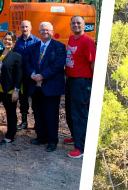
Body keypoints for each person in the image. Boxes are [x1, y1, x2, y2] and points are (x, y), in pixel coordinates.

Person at [25, 22, 66, 152]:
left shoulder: (59, 46)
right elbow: (26, 62)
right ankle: (41, 137)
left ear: (52, 32)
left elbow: (58, 65)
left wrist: (42, 75)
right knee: (38, 113)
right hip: (35, 86)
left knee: (51, 115)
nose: (44, 32)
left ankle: (52, 141)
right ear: (39, 32)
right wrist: (32, 74)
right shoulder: (33, 47)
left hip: (51, 87)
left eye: (47, 30)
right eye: (42, 30)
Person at [64, 15, 95, 159]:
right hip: (70, 80)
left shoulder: (88, 41)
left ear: (83, 25)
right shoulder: (72, 38)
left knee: (79, 114)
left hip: (81, 82)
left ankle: (81, 147)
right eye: (74, 23)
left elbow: (93, 63)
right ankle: (76, 137)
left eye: (79, 23)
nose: (76, 25)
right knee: (70, 111)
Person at [0, 32, 22, 145]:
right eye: (5, 39)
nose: (7, 41)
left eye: (10, 40)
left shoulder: (16, 56)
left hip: (8, 90)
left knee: (10, 113)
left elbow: (19, 75)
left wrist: (16, 90)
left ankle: (10, 136)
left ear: (13, 42)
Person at [14, 20, 40, 130]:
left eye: (26, 27)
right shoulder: (18, 41)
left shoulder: (36, 41)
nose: (24, 29)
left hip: (33, 74)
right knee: (23, 98)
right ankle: (24, 121)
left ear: (30, 28)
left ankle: (37, 122)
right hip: (21, 74)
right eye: (23, 27)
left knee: (35, 97)